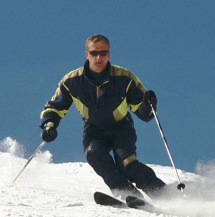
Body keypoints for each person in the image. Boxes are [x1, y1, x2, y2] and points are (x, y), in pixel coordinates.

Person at [40, 34, 166, 200]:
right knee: (94, 154)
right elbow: (55, 107)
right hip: (94, 130)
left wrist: (149, 105)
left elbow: (143, 113)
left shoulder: (124, 78)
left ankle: (164, 195)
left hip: (121, 128)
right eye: (94, 53)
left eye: (103, 53)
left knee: (126, 163)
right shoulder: (72, 81)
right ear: (87, 54)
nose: (98, 57)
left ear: (109, 54)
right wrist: (49, 124)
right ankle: (127, 194)